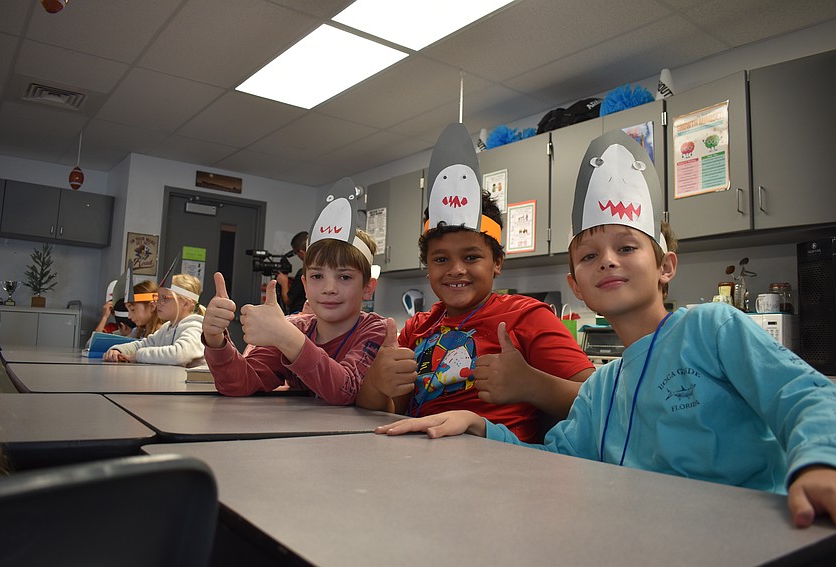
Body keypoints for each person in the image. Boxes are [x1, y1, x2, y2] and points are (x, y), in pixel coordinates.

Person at [375, 129, 836, 528]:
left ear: (665, 266)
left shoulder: (712, 329)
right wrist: (479, 426)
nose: (608, 260)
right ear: (576, 284)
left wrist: (819, 463)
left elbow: (804, 396)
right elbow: (554, 462)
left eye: (626, 246)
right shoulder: (602, 391)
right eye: (589, 255)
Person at [357, 123, 594, 442]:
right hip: (416, 458)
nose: (456, 270)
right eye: (441, 259)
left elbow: (598, 403)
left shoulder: (527, 317)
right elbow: (386, 413)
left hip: (497, 463)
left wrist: (532, 384)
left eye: (471, 257)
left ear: (497, 262)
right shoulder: (417, 329)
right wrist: (374, 383)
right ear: (427, 268)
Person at [203, 179, 387, 404]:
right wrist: (215, 341)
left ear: (367, 288)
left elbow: (345, 390)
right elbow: (240, 383)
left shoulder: (375, 329)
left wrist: (285, 336)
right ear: (306, 285)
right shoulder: (296, 328)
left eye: (345, 277)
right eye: (317, 276)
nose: (329, 289)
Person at [103, 274, 206, 367]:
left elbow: (180, 355)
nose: (158, 303)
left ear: (186, 304)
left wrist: (138, 356)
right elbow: (143, 344)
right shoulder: (167, 328)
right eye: (158, 298)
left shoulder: (194, 326)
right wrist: (118, 349)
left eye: (165, 298)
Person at [276, 231, 308, 314]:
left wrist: (284, 283)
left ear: (301, 252)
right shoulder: (316, 272)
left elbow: (287, 300)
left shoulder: (303, 273)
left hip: (299, 314)